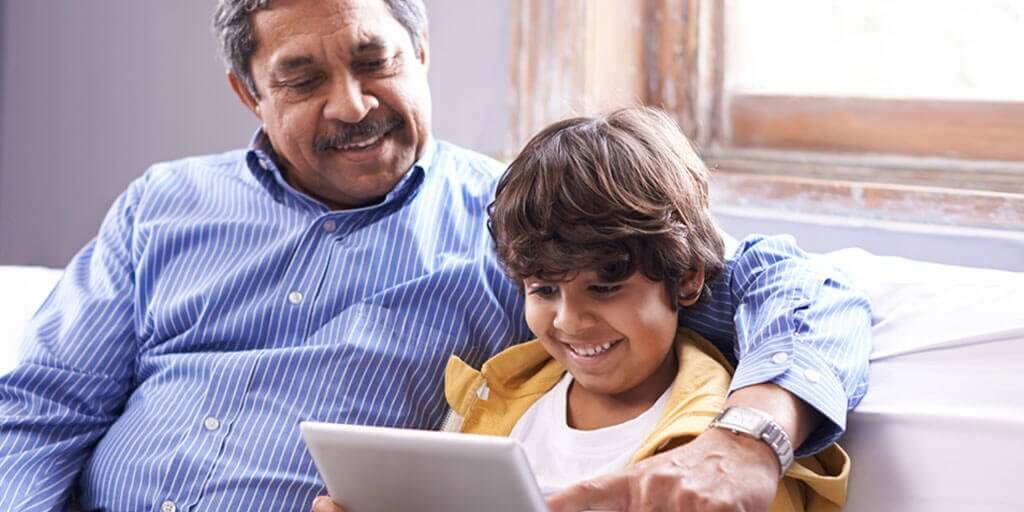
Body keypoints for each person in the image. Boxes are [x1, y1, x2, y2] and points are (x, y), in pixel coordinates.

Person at [0, 1, 870, 511]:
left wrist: (749, 438)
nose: (352, 106)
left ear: (421, 54)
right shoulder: (162, 204)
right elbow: (40, 407)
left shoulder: (520, 228)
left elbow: (792, 287)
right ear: (248, 92)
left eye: (376, 62)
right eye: (302, 79)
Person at [313, 108, 851, 512]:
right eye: (544, 289)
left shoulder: (712, 445)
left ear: (686, 279)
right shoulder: (500, 399)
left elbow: (808, 289)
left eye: (605, 287)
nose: (569, 321)